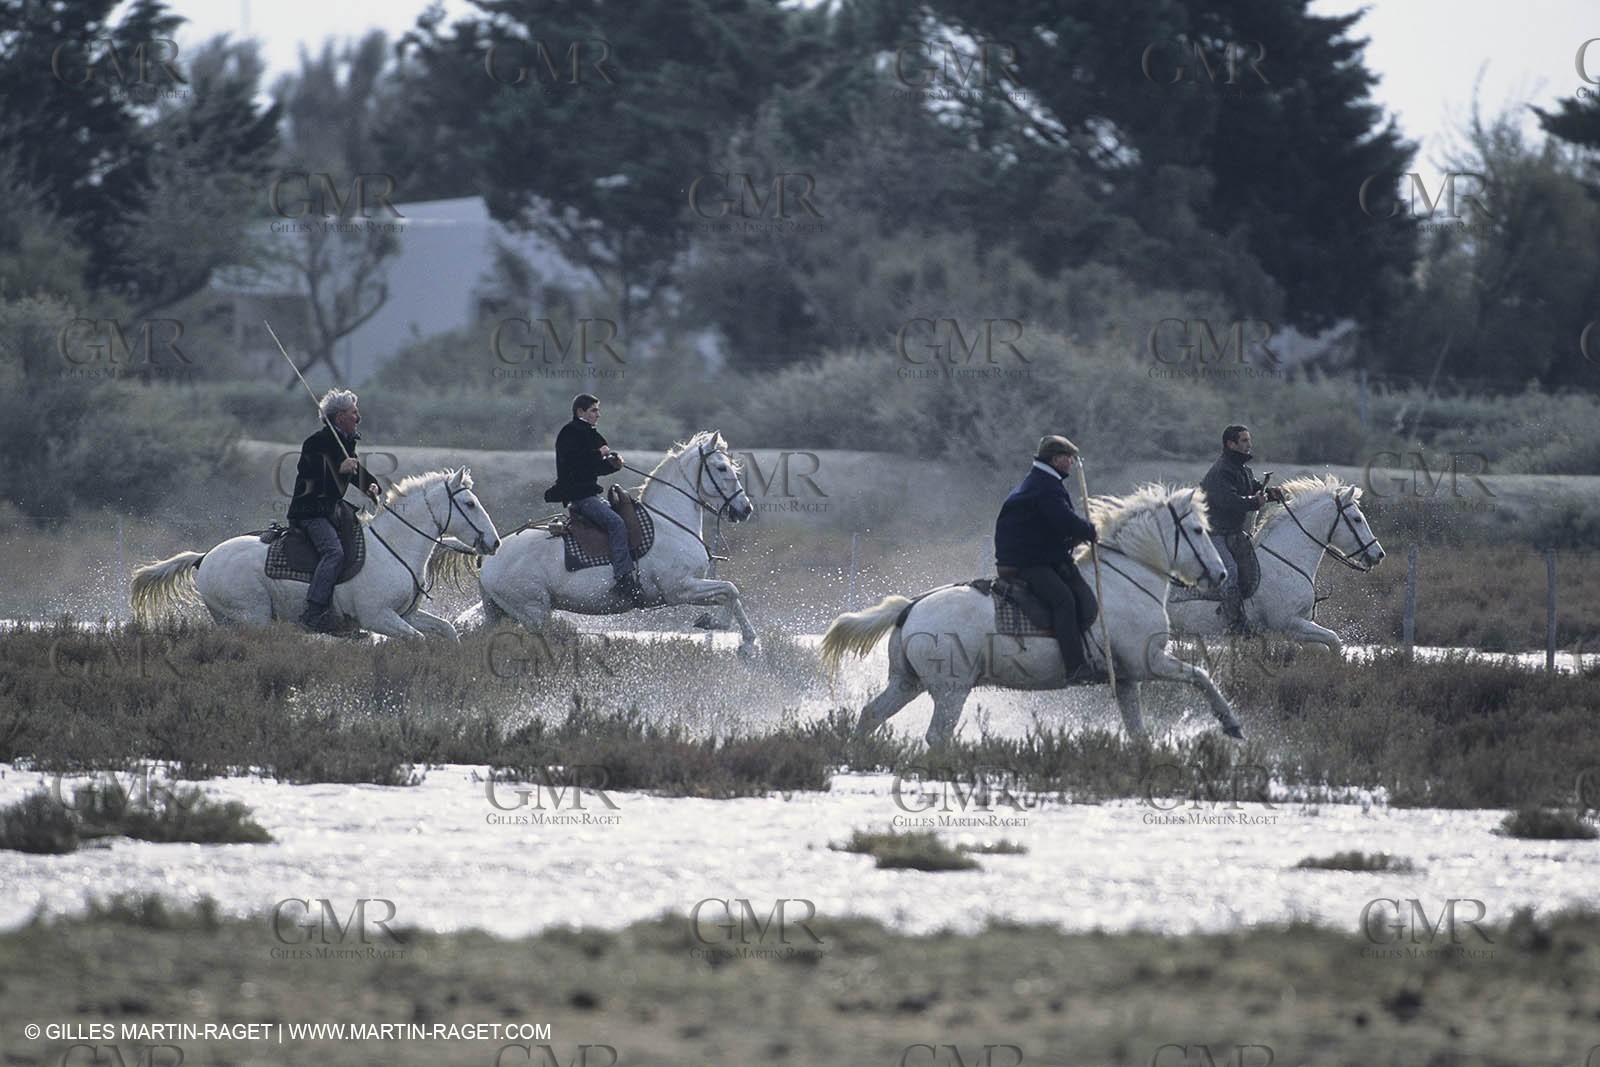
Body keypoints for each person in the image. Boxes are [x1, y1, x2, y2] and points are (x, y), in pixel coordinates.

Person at [994, 435, 1106, 684]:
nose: (1072, 462)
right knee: (1063, 600)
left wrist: (1070, 540)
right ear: (1056, 460)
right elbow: (1063, 519)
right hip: (1025, 563)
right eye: (1069, 458)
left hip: (1037, 557)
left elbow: (1049, 527)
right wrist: (1091, 531)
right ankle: (1075, 668)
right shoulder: (1045, 486)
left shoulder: (1043, 481)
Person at [286, 388, 382, 632]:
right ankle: (313, 612)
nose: (359, 417)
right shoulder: (315, 443)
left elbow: (355, 472)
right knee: (335, 553)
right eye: (354, 412)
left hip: (331, 511)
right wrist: (339, 469)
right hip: (310, 512)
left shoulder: (346, 442)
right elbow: (310, 476)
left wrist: (371, 486)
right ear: (340, 417)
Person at [547, 393, 643, 602]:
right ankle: (623, 579)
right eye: (594, 410)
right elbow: (575, 462)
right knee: (616, 523)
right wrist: (599, 454)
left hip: (590, 494)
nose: (598, 415)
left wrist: (612, 465)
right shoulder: (570, 432)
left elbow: (593, 468)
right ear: (580, 412)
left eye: (597, 410)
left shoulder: (586, 433)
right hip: (581, 497)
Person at [1199, 424, 1285, 634]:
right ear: (1231, 444)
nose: (1249, 444)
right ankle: (1235, 625)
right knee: (1230, 571)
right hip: (1213, 532)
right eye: (1244, 440)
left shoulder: (1242, 469)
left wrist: (1270, 494)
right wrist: (1256, 502)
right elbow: (1230, 500)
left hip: (1231, 532)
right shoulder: (1221, 471)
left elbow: (1252, 487)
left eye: (1249, 440)